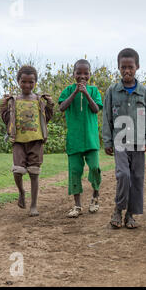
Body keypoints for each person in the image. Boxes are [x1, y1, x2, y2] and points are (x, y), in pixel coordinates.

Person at [103, 48, 146, 229]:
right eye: (123, 67)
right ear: (118, 67)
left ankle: (130, 215)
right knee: (123, 175)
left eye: (130, 67)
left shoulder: (144, 93)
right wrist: (107, 141)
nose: (127, 71)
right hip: (119, 141)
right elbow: (106, 116)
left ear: (137, 67)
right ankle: (118, 208)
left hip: (139, 142)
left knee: (137, 177)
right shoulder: (112, 91)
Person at [0, 65, 54, 217]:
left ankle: (34, 205)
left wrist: (50, 104)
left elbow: (47, 118)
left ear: (35, 82)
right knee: (18, 171)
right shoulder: (14, 100)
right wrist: (3, 106)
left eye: (31, 82)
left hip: (36, 141)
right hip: (18, 141)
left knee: (34, 173)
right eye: (24, 82)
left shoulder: (38, 100)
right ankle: (21, 191)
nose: (27, 85)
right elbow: (6, 120)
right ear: (18, 81)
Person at [58, 59, 103, 218]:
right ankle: (77, 206)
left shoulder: (94, 91)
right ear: (74, 74)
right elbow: (62, 107)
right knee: (75, 171)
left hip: (91, 140)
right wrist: (76, 92)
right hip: (74, 140)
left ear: (90, 74)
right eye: (79, 73)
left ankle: (95, 197)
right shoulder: (67, 90)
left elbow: (96, 109)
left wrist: (85, 93)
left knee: (95, 168)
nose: (82, 76)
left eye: (86, 73)